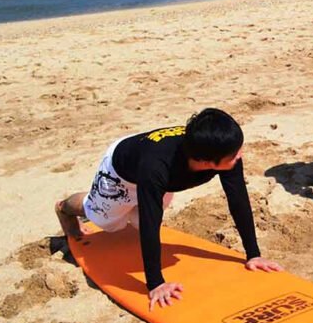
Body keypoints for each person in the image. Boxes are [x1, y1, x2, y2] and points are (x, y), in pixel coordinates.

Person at [54, 108, 283, 311]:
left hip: (152, 173)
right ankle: (66, 208)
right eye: (234, 154)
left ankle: (117, 207)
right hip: (121, 172)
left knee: (138, 221)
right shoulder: (157, 167)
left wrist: (253, 254)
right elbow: (152, 222)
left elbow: (238, 200)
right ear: (206, 161)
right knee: (110, 223)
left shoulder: (225, 150)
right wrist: (155, 283)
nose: (239, 155)